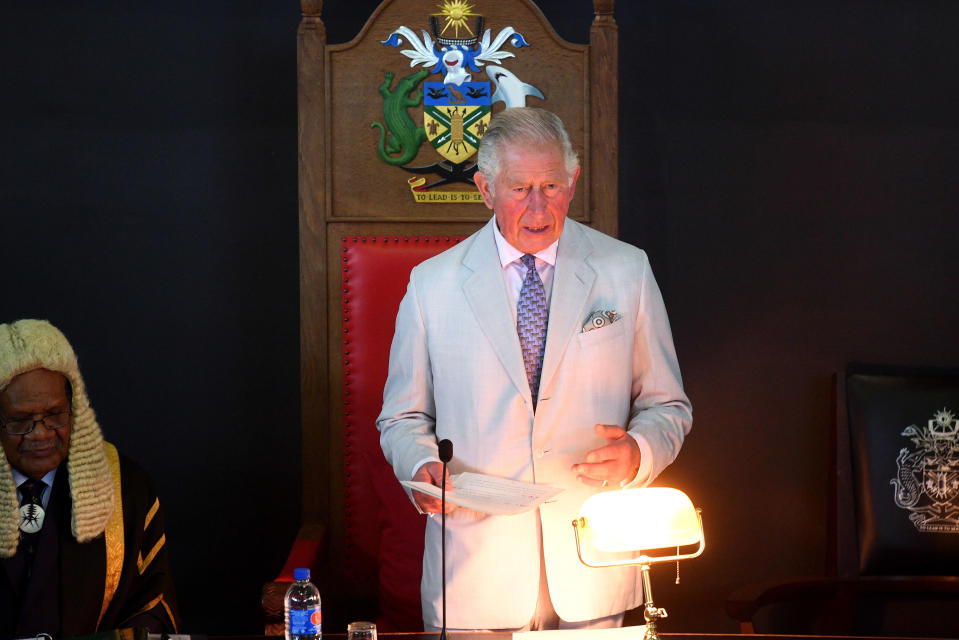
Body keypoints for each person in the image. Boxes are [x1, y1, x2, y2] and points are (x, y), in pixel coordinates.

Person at [377, 107, 693, 631]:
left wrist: (638, 452)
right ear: (485, 189)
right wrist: (420, 469)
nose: (539, 205)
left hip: (596, 569)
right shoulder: (430, 286)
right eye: (520, 188)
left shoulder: (626, 270)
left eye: (551, 184)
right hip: (473, 580)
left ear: (572, 182)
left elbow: (668, 406)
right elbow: (401, 418)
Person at [0, 319, 180, 637]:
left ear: (75, 408)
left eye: (55, 415)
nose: (40, 434)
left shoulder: (126, 487)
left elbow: (152, 606)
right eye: (20, 421)